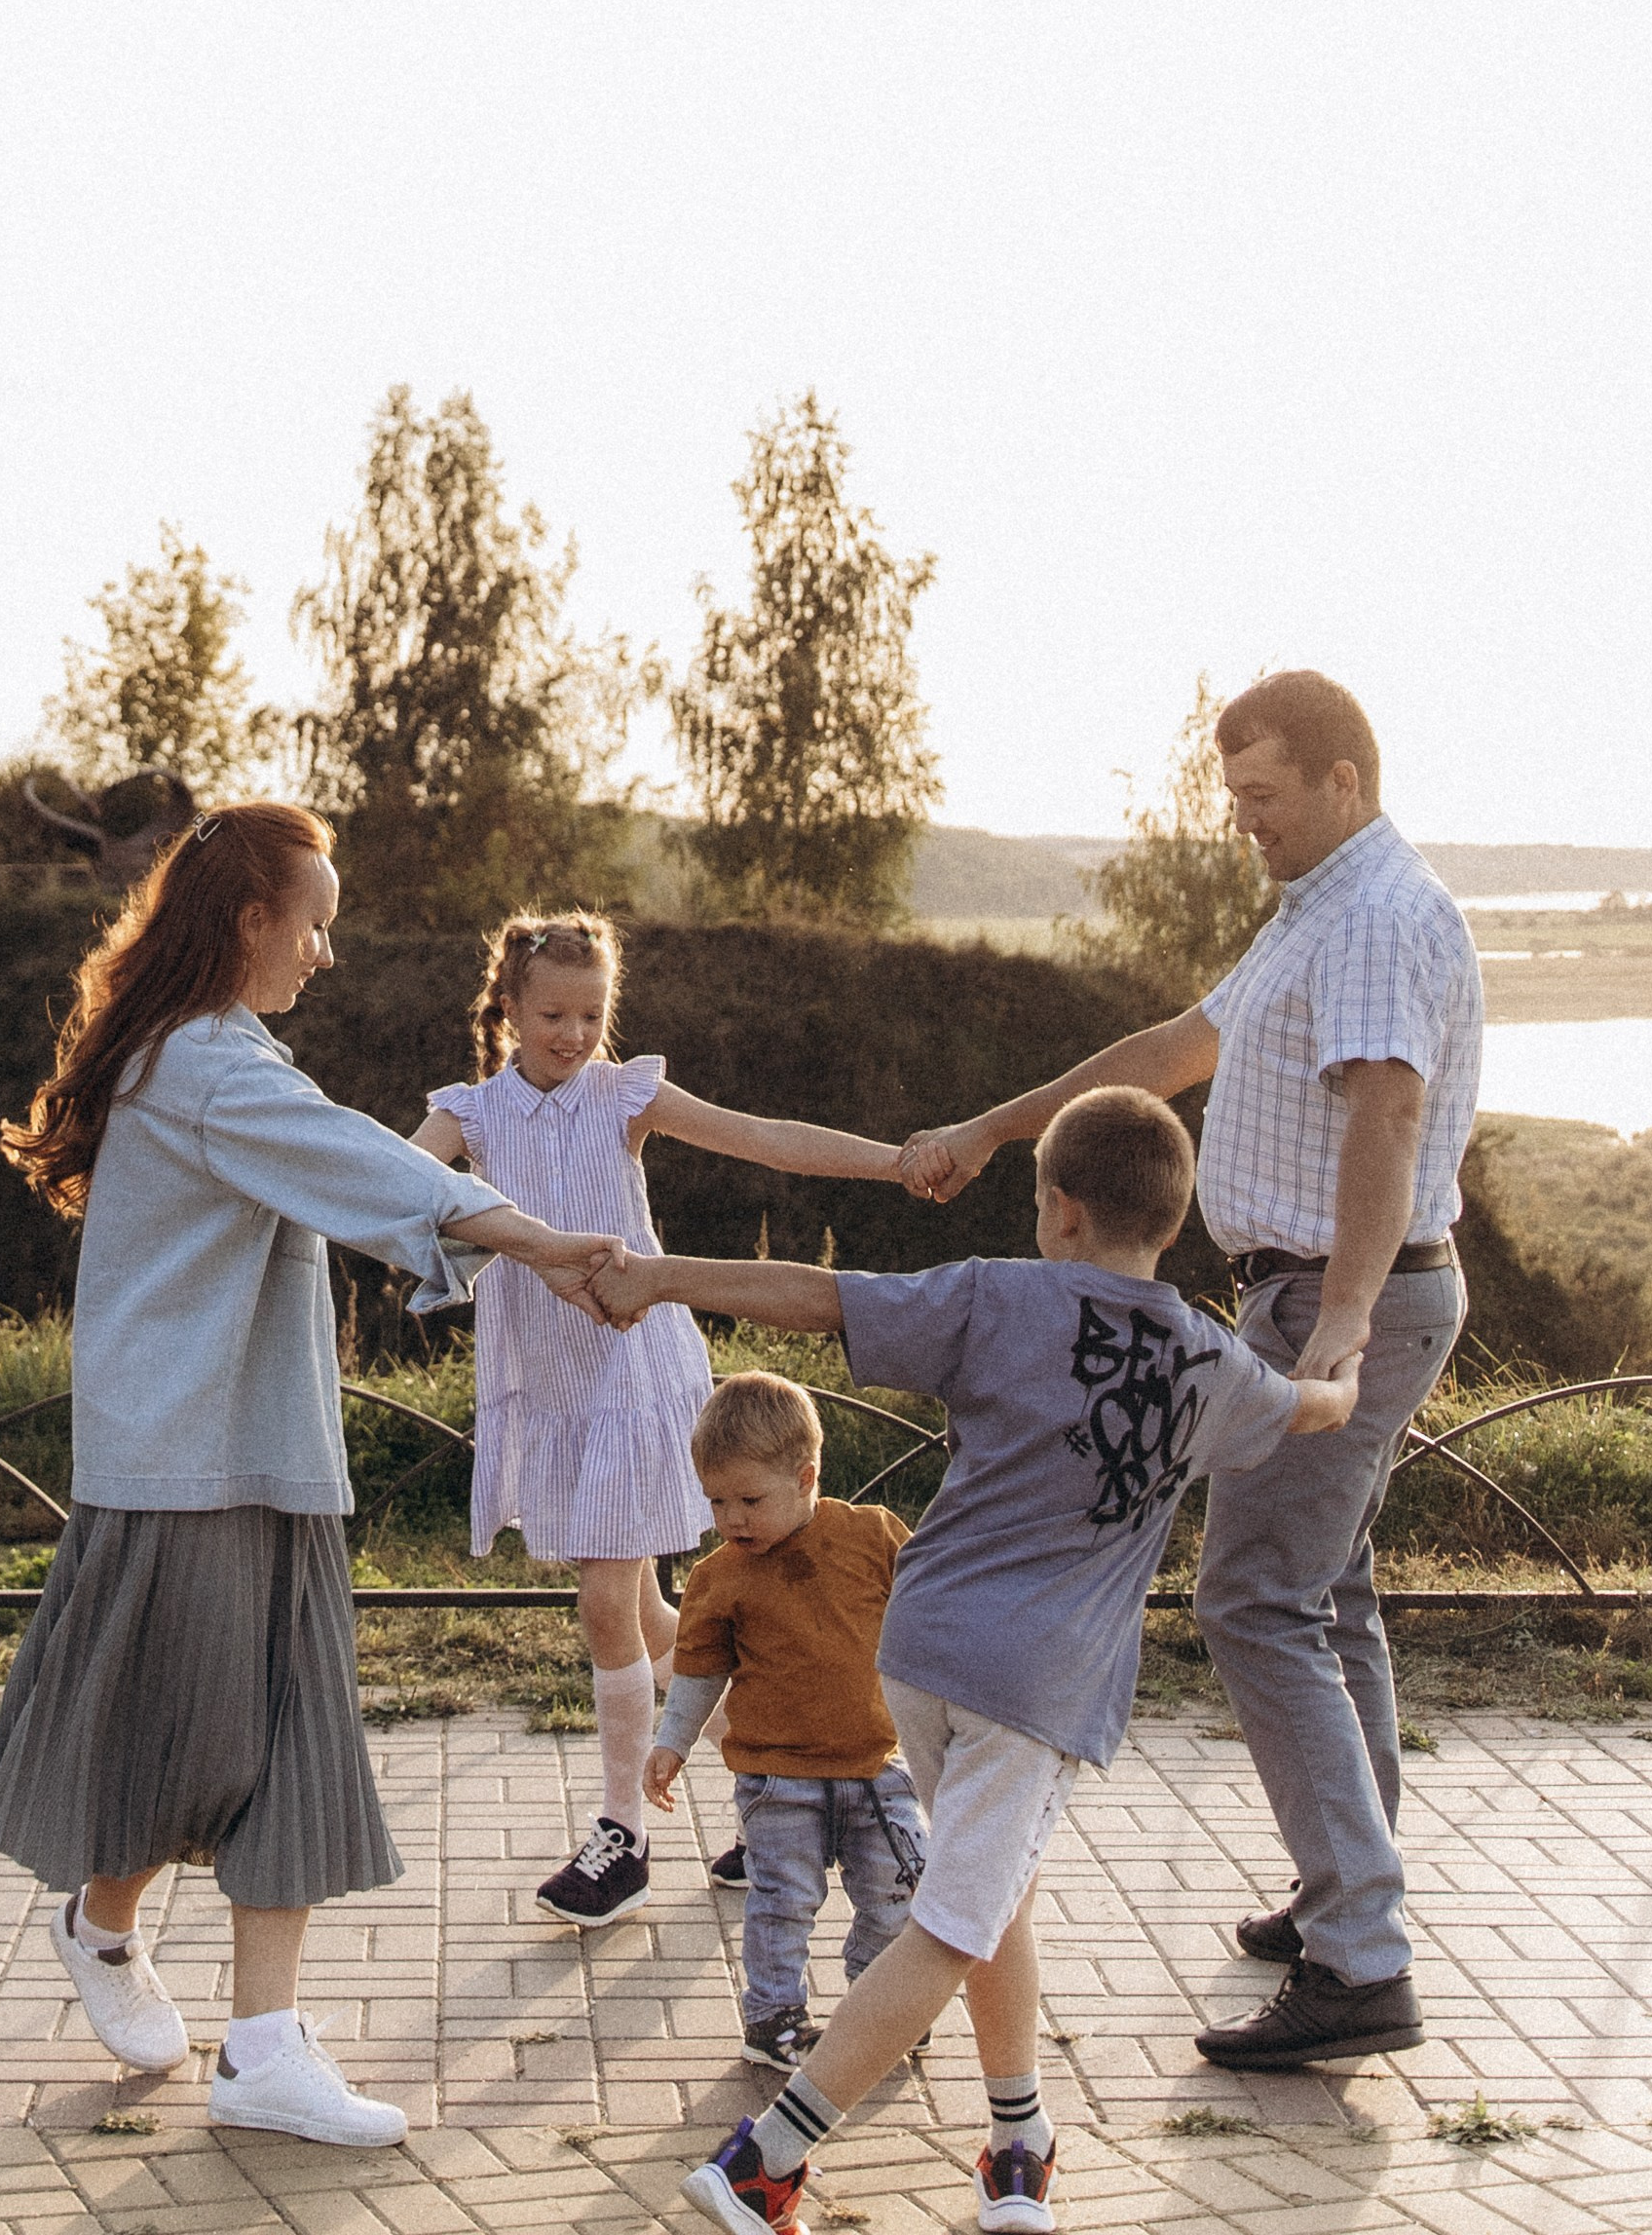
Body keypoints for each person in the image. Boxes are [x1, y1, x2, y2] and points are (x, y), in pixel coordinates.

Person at [0, 803, 624, 2150]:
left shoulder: (219, 1054)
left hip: (265, 1451)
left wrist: (529, 1246)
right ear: (252, 920)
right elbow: (366, 1168)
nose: (325, 950)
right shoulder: (203, 1063)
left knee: (289, 1739)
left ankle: (259, 2046)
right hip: (183, 1456)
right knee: (198, 1740)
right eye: (313, 922)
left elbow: (355, 1174)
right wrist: (548, 1246)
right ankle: (107, 1920)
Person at [590, 1088, 1360, 2235]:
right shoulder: (1212, 1364)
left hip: (926, 1652)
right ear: (1174, 1219)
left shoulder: (997, 1295)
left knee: (994, 1896)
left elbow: (818, 1296)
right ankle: (768, 2159)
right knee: (953, 1921)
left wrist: (659, 1277)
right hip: (1038, 1686)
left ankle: (1017, 2139)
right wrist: (1346, 1360)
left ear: (1057, 1209)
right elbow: (1312, 1409)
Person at [897, 669, 1481, 2070]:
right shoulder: (1316, 911)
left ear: (1343, 781)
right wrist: (994, 1127)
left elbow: (1387, 1114)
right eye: (1236, 802)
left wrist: (1337, 1320)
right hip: (1330, 1294)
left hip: (1345, 1301)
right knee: (1321, 1589)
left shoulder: (1379, 918)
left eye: (1265, 799)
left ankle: (1363, 1953)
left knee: (1255, 1601)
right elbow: (1172, 1053)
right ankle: (1349, 1887)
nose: (1246, 825)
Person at [411, 909, 915, 1923]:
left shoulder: (625, 1095)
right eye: (552, 1012)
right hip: (554, 1387)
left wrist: (895, 1163)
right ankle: (781, 1791)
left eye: (591, 1013)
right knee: (649, 1619)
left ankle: (623, 1838)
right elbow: (387, 1188)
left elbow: (763, 1139)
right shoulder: (468, 1115)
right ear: (507, 1006)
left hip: (637, 1375)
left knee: (607, 1602)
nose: (572, 1032)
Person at [646, 1369, 927, 2075]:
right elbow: (700, 1671)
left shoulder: (872, 1537)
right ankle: (773, 2016)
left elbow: (934, 1608)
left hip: (877, 1770)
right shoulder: (720, 1576)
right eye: (716, 1501)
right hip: (776, 1781)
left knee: (900, 1892)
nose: (732, 1518)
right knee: (782, 1903)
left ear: (804, 1478)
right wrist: (671, 1741)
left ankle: (880, 2001)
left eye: (749, 1499)